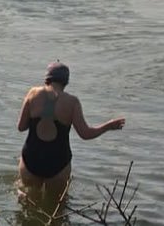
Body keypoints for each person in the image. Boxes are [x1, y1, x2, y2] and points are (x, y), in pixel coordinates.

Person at [17, 62, 125, 198]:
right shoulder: (72, 102)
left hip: (31, 159)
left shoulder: (32, 93)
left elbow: (21, 127)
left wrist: (39, 116)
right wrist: (108, 126)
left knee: (27, 203)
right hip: (58, 162)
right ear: (66, 81)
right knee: (57, 208)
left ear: (47, 79)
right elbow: (85, 134)